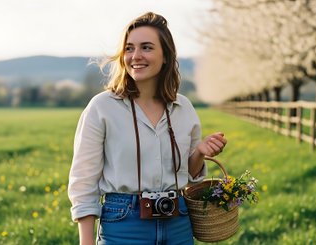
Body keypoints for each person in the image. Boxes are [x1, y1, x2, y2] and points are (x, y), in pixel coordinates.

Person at [68, 12, 227, 245]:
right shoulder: (101, 108)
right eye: (129, 48)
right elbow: (84, 181)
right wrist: (86, 241)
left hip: (179, 225)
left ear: (165, 56)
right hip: (123, 226)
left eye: (146, 47)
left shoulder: (184, 108)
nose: (136, 56)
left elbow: (189, 176)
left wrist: (199, 153)